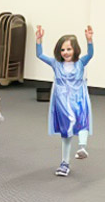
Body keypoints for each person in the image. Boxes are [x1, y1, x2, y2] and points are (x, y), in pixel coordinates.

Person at [35, 25, 94, 177]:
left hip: (78, 98)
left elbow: (91, 54)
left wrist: (89, 40)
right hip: (62, 101)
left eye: (68, 49)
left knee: (82, 121)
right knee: (65, 132)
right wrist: (39, 41)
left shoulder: (80, 63)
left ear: (75, 49)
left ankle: (82, 146)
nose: (65, 52)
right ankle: (64, 163)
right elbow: (40, 55)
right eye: (62, 50)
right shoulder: (56, 64)